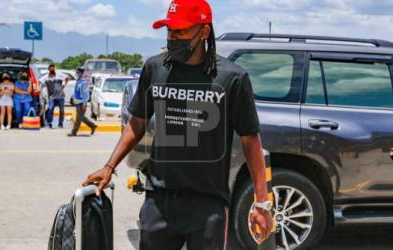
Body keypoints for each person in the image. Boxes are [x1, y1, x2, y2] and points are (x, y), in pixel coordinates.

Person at [82, 1, 273, 249]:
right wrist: (109, 166)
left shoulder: (232, 78)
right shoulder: (155, 68)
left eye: (180, 31)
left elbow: (251, 140)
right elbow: (137, 122)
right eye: (169, 31)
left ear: (204, 32)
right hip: (159, 202)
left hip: (208, 205)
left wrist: (261, 203)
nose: (173, 37)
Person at [68, 67, 97, 136]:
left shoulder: (83, 82)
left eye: (77, 72)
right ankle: (93, 125)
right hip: (77, 102)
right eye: (76, 72)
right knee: (81, 117)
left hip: (81, 103)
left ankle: (74, 132)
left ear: (81, 73)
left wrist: (85, 103)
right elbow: (77, 91)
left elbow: (85, 94)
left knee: (78, 118)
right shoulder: (78, 81)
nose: (76, 73)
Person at [40, 64, 69, 128]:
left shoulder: (59, 75)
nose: (52, 69)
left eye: (53, 68)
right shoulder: (45, 77)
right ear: (49, 69)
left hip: (60, 96)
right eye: (50, 68)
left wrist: (64, 86)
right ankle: (49, 123)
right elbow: (39, 81)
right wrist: (38, 88)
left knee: (61, 110)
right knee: (50, 109)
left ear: (54, 69)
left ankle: (60, 123)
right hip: (51, 97)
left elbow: (67, 77)